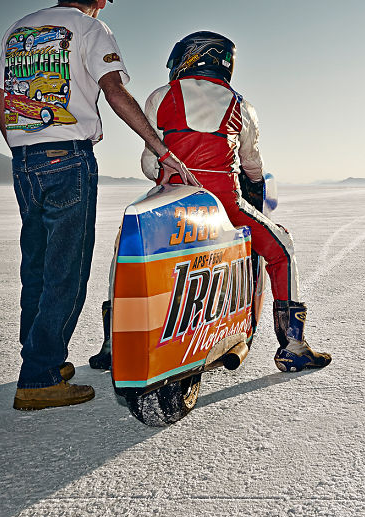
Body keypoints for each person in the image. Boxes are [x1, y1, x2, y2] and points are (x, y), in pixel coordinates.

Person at [0, 0, 199, 411]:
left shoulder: (19, 29)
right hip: (68, 158)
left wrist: (23, 143)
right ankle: (40, 377)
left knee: (38, 268)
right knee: (66, 271)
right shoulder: (91, 28)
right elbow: (115, 92)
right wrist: (161, 149)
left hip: (25, 160)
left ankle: (42, 360)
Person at [137, 31, 331, 372]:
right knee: (282, 249)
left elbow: (150, 163)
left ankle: (112, 341)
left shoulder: (161, 96)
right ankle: (293, 346)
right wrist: (254, 184)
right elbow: (251, 162)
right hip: (223, 207)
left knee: (127, 250)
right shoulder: (241, 104)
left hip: (169, 204)